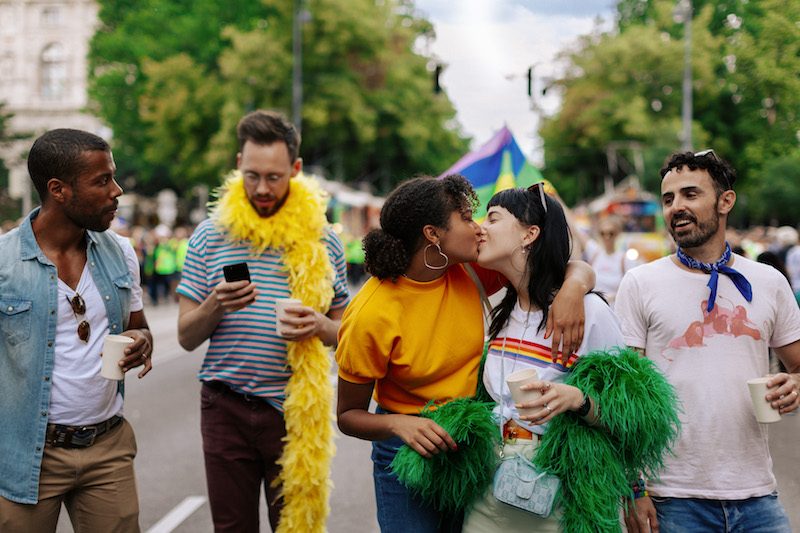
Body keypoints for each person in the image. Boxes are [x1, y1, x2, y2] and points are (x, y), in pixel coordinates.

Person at [335, 175, 596, 533]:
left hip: (470, 445)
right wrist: (399, 424)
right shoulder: (370, 313)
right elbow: (347, 415)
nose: (477, 229)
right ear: (433, 234)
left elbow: (560, 264)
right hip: (405, 450)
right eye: (466, 218)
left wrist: (574, 288)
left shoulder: (470, 271)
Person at [462, 185, 675, 532]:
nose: (481, 227)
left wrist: (578, 400)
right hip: (492, 490)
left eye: (493, 218)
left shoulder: (588, 312)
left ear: (529, 234)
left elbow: (634, 414)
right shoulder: (502, 312)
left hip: (559, 494)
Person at [176, 109, 349, 532]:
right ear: (238, 165)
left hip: (293, 410)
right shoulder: (210, 234)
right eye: (252, 175)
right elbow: (184, 337)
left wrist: (318, 326)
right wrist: (215, 305)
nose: (262, 188)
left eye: (274, 177)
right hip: (225, 404)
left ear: (296, 169)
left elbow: (347, 334)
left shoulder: (324, 239)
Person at [617, 150, 800, 533]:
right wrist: (635, 490)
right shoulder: (640, 284)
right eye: (668, 199)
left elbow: (797, 366)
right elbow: (626, 399)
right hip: (671, 498)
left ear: (725, 201)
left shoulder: (769, 282)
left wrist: (794, 385)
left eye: (690, 195)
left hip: (757, 497)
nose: (676, 208)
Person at [0, 129, 153, 531]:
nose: (116, 191)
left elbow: (139, 327)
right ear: (58, 190)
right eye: (102, 180)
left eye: (113, 177)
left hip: (108, 448)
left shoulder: (120, 252)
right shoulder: (3, 264)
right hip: (26, 455)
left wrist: (142, 341)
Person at [581, 215, 642, 305]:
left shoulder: (624, 259)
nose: (607, 237)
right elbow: (575, 231)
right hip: (595, 308)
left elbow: (632, 288)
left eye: (611, 233)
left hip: (615, 310)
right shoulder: (595, 253)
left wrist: (614, 297)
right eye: (603, 233)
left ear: (617, 234)